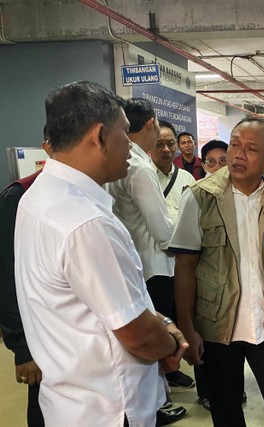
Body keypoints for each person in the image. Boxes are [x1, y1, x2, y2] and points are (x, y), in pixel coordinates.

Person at [14, 80, 188, 427]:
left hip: (69, 400)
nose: (132, 146)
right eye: (126, 133)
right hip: (109, 407)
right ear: (99, 136)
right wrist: (170, 343)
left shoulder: (39, 197)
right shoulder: (86, 223)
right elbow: (137, 335)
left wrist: (163, 321)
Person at [170, 118, 264, 427]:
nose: (238, 155)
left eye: (250, 149)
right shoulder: (199, 198)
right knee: (226, 412)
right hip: (218, 328)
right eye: (235, 145)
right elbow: (185, 266)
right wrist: (187, 327)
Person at [106, 100, 195, 398]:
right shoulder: (140, 167)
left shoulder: (119, 160)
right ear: (150, 124)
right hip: (154, 265)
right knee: (157, 331)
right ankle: (158, 398)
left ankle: (160, 389)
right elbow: (161, 228)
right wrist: (180, 248)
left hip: (131, 261)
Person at [0, 138, 50, 427]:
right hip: (41, 340)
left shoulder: (92, 193)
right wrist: (22, 348)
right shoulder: (20, 197)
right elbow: (7, 278)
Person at [150, 121, 196, 223]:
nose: (166, 149)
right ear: (149, 145)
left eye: (171, 144)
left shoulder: (187, 178)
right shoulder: (144, 177)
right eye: (159, 145)